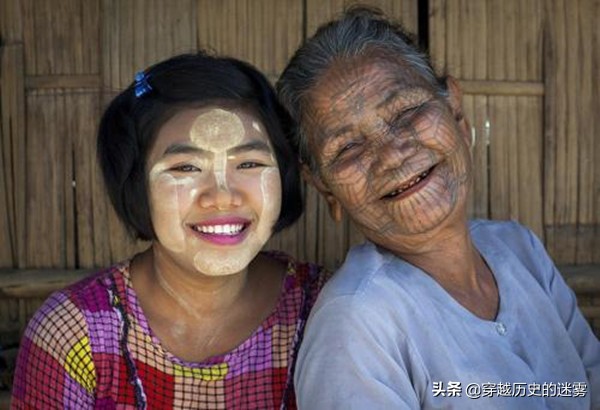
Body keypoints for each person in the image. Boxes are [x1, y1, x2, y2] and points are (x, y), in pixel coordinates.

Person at [277, 6, 600, 409]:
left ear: (457, 113)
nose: (392, 155)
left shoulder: (519, 250)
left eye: (407, 112)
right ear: (326, 190)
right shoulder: (357, 326)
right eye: (348, 148)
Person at [11, 51, 326, 409]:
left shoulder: (328, 313)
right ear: (137, 187)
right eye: (186, 167)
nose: (222, 196)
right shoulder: (74, 333)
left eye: (250, 163)